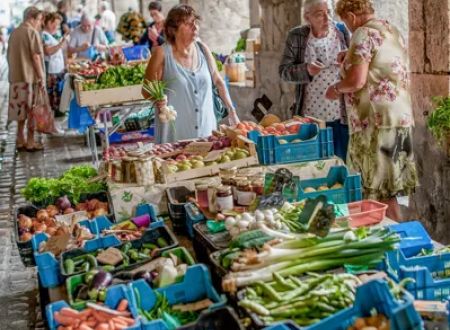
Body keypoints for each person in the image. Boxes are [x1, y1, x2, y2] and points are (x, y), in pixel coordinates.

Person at [325, 0, 418, 220]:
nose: (347, 27)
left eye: (345, 21)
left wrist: (336, 88)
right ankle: (394, 239)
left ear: (351, 15)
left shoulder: (362, 33)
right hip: (398, 118)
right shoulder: (390, 29)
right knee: (389, 189)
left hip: (375, 122)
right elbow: (379, 64)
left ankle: (397, 241)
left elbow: (357, 81)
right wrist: (348, 56)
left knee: (380, 194)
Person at [142, 4, 240, 143]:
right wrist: (157, 98)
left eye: (195, 22)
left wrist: (232, 112)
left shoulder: (203, 49)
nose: (195, 27)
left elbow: (218, 82)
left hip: (207, 134)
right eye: (188, 24)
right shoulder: (161, 54)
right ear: (172, 30)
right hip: (174, 137)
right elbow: (146, 90)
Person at [279, 0, 350, 161]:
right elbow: (284, 72)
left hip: (341, 115)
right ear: (307, 17)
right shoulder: (297, 36)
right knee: (313, 165)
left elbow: (357, 64)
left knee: (342, 164)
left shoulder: (342, 32)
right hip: (311, 118)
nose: (327, 18)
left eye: (329, 12)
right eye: (319, 14)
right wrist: (306, 70)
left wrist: (348, 59)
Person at [7, 7, 46, 151]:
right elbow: (36, 57)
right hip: (30, 79)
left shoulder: (14, 33)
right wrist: (41, 76)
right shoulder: (31, 32)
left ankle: (19, 140)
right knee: (32, 111)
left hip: (15, 78)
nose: (40, 23)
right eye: (40, 19)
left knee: (19, 111)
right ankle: (30, 142)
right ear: (32, 17)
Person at [42, 12, 68, 116]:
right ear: (48, 22)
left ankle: (57, 114)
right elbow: (48, 51)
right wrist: (61, 44)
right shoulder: (44, 35)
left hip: (58, 69)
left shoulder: (52, 35)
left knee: (57, 93)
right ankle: (52, 118)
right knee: (52, 95)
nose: (56, 27)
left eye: (57, 25)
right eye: (54, 24)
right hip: (52, 70)